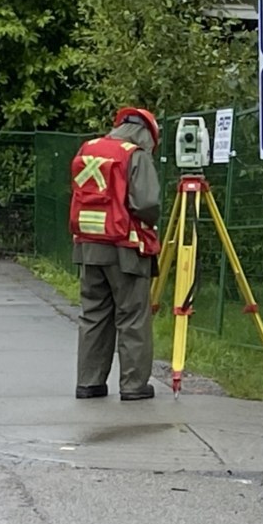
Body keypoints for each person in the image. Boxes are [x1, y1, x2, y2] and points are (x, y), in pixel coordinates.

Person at [69, 107, 162, 400]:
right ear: (146, 134)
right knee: (132, 317)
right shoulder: (134, 155)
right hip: (125, 248)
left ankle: (89, 382)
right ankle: (133, 385)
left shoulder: (90, 148)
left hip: (88, 246)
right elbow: (147, 202)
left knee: (94, 315)